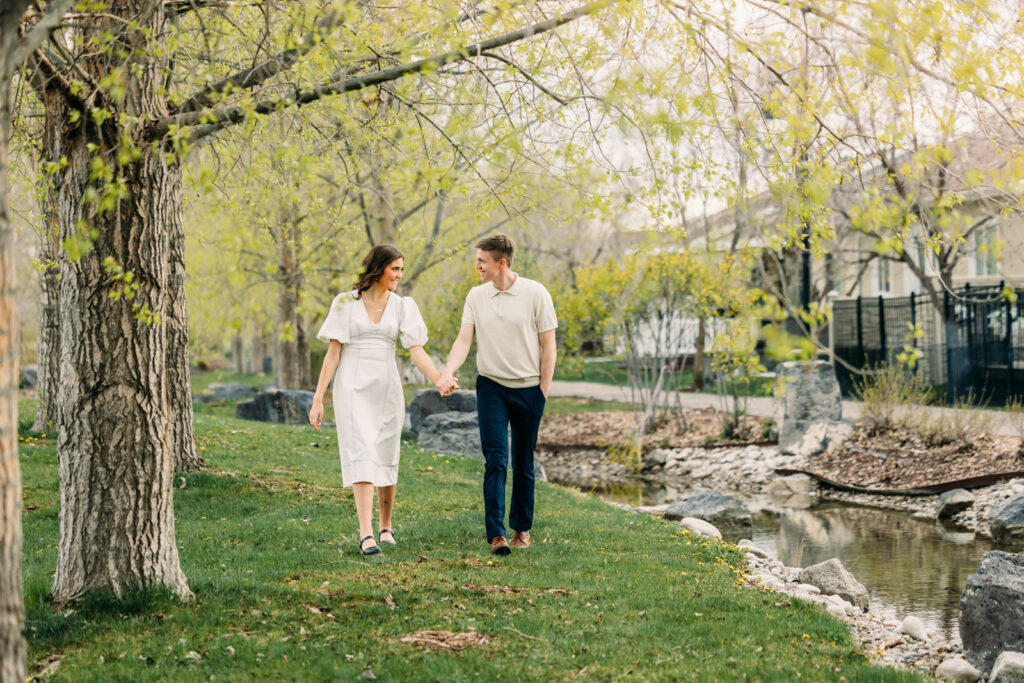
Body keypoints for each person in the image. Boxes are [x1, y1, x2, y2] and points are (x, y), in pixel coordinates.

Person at [309, 244, 444, 557]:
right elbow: (332, 354)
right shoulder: (345, 302)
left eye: (401, 269)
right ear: (378, 268)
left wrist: (438, 379)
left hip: (386, 387)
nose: (399, 275)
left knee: (385, 451)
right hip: (351, 386)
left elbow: (416, 350)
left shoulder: (403, 306)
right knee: (362, 451)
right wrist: (319, 399)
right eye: (394, 268)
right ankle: (365, 534)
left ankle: (386, 526)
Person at [436, 234, 557, 555]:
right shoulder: (476, 296)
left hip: (529, 388)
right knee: (496, 460)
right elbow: (464, 340)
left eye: (482, 261)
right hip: (491, 386)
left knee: (523, 462)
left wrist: (542, 392)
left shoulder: (535, 293)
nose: (477, 266)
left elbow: (549, 347)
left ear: (500, 263)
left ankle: (522, 528)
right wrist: (448, 372)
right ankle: (497, 534)